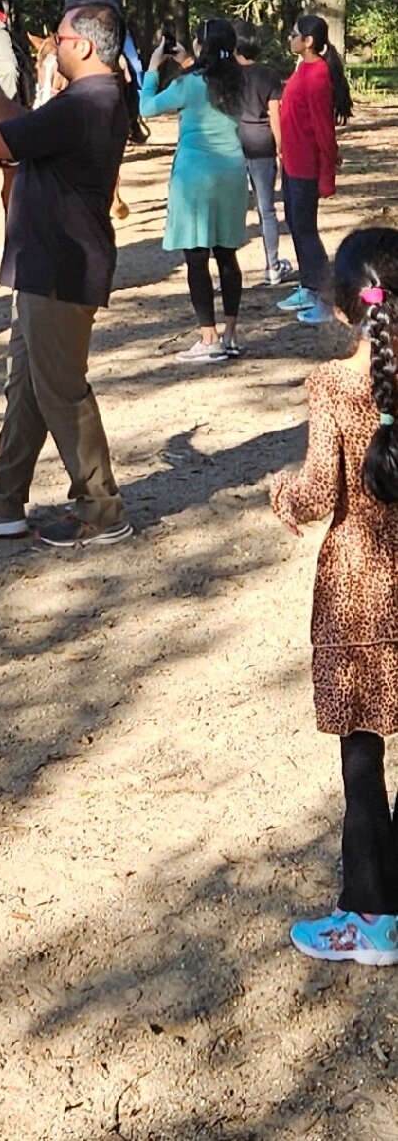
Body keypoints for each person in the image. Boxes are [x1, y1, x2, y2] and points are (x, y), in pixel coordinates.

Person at [0, 3, 133, 548]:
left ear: (85, 46)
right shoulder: (90, 97)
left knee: (61, 390)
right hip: (46, 262)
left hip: (62, 265)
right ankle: (3, 497)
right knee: (27, 387)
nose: (52, 46)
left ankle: (101, 508)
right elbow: (19, 121)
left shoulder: (90, 101)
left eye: (60, 38)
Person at [271, 227, 398, 965]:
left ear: (344, 308)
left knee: (361, 756)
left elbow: (319, 490)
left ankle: (370, 917)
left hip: (356, 592)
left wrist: (278, 492)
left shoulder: (331, 387)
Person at [140, 19, 251, 364]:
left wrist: (153, 68)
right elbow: (212, 78)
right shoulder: (238, 82)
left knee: (197, 258)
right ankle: (231, 334)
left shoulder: (188, 84)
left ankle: (208, 337)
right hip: (232, 173)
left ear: (201, 47)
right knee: (227, 255)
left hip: (194, 177)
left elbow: (146, 107)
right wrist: (190, 59)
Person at [278, 14, 342, 326]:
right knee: (294, 221)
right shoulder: (302, 68)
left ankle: (327, 298)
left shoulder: (317, 75)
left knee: (306, 229)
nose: (289, 37)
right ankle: (307, 286)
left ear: (309, 42)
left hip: (306, 166)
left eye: (294, 34)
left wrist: (327, 173)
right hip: (291, 162)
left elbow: (323, 129)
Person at [235, 33, 292, 287]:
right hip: (262, 145)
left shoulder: (228, 74)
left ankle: (228, 268)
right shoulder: (268, 75)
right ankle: (272, 265)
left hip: (234, 145)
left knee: (233, 210)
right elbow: (275, 116)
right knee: (266, 209)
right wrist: (280, 145)